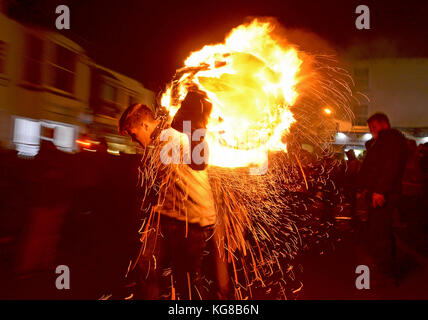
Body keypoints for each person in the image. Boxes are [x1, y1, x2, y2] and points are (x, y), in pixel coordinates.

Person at [119, 103, 217, 299]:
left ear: (146, 126)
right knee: (147, 267)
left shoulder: (175, 134)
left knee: (187, 281)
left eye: (133, 134)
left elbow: (200, 159)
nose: (133, 140)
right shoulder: (161, 141)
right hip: (167, 216)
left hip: (191, 220)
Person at [358, 112, 408, 288]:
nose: (372, 131)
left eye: (374, 127)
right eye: (370, 128)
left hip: (384, 194)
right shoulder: (382, 141)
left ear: (384, 124)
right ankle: (386, 270)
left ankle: (387, 273)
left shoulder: (391, 138)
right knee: (380, 232)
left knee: (381, 233)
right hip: (380, 192)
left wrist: (380, 190)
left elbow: (390, 165)